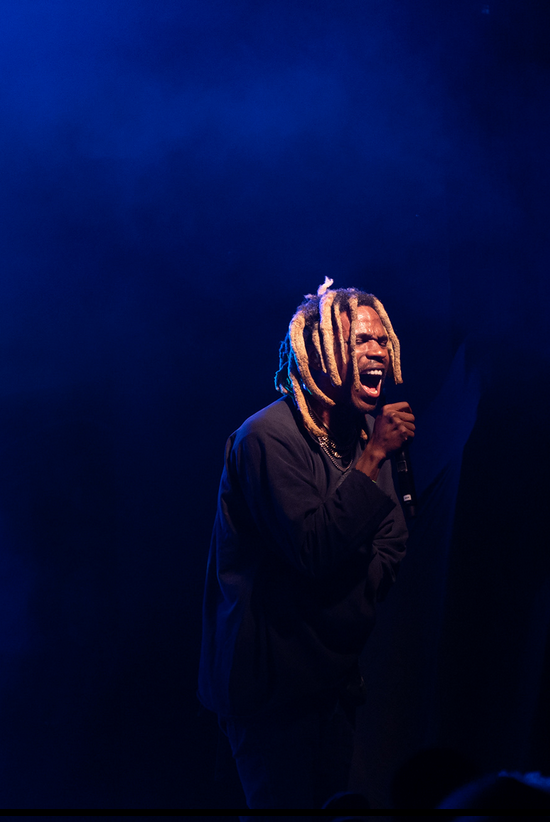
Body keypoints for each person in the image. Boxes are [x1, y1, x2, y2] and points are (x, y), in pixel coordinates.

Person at [198, 279, 414, 810]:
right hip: (271, 691)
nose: (377, 351)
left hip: (333, 682)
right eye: (360, 340)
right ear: (320, 351)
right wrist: (373, 459)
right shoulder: (264, 439)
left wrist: (346, 586)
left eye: (381, 339)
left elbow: (392, 541)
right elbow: (314, 549)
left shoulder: (365, 433)